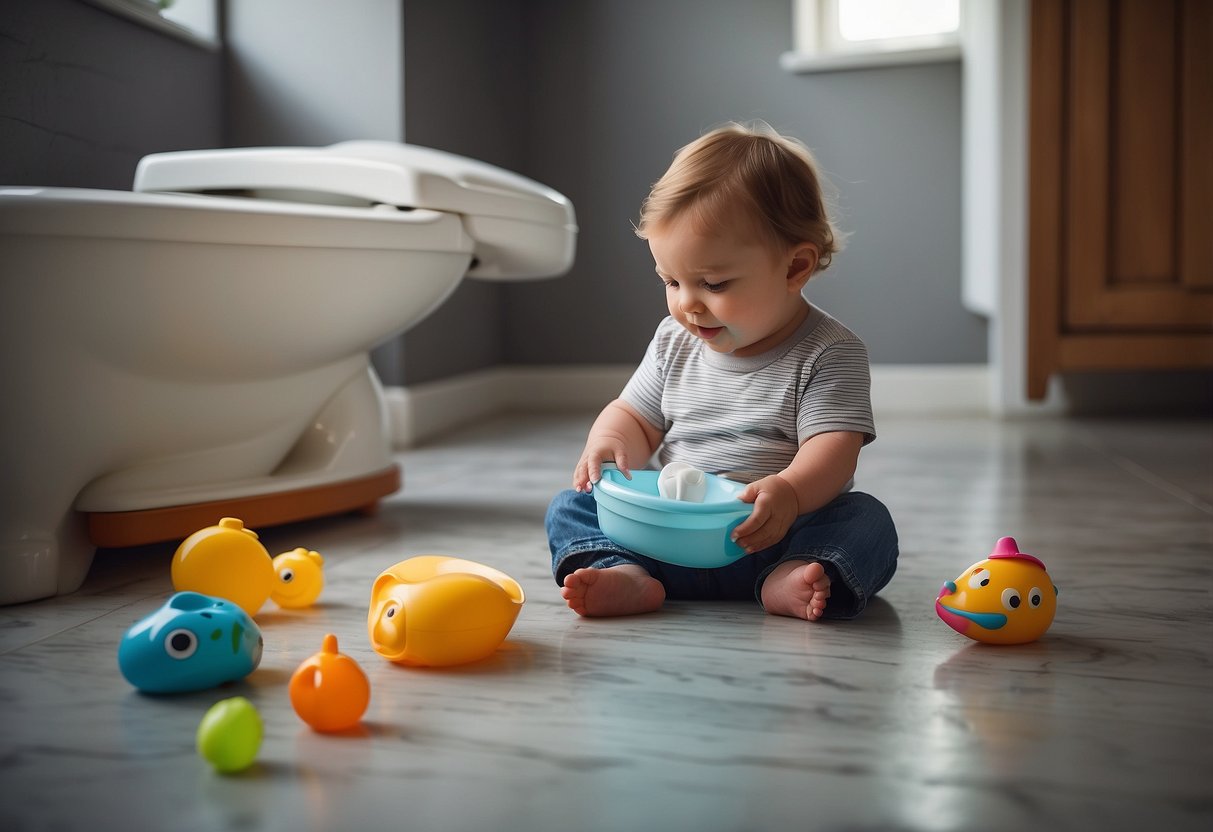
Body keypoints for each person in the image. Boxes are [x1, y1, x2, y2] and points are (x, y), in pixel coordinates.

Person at [545, 122, 898, 621]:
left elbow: (834, 451)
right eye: (671, 280)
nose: (687, 305)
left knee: (866, 521)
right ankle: (626, 572)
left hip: (768, 536)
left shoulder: (829, 352)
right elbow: (635, 416)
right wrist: (609, 440)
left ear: (795, 267)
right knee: (571, 505)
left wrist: (791, 494)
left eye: (713, 283)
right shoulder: (673, 342)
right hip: (667, 537)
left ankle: (791, 577)